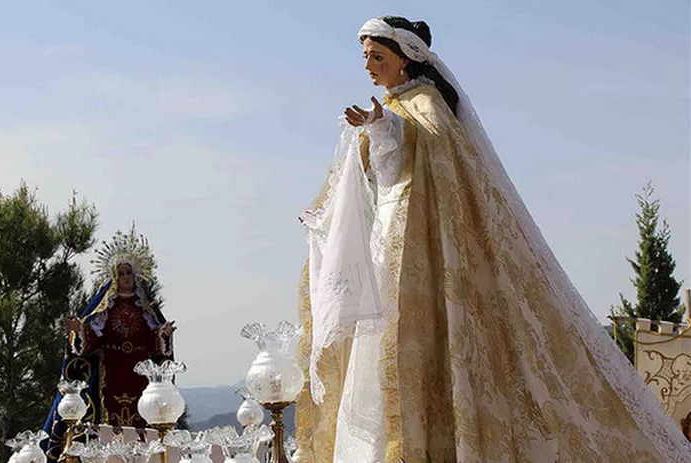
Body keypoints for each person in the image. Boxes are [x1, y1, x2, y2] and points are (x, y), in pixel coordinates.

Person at [294, 16, 691, 462]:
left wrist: (385, 127)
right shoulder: (394, 106)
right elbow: (376, 176)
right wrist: (327, 208)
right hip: (390, 239)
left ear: (405, 61)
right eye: (365, 56)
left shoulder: (425, 104)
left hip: (421, 244)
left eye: (378, 57)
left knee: (413, 343)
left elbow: (430, 149)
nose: (369, 65)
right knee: (381, 348)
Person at [41, 234, 175, 461]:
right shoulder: (106, 306)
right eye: (121, 273)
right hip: (110, 373)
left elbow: (154, 346)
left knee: (143, 419)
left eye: (128, 273)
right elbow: (91, 341)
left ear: (135, 276)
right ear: (114, 277)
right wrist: (79, 330)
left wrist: (162, 334)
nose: (125, 278)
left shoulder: (145, 308)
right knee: (108, 423)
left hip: (140, 374)